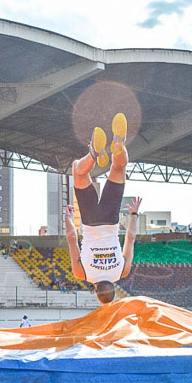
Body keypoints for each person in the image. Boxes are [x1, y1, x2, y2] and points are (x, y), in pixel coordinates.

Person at [64, 113, 140, 304]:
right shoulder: (82, 274)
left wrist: (134, 214)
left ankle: (119, 143)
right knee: (78, 171)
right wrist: (67, 218)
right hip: (90, 220)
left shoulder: (122, 271)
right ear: (95, 291)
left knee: (118, 169)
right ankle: (93, 154)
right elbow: (72, 240)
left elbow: (130, 238)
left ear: (113, 288)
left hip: (111, 217)